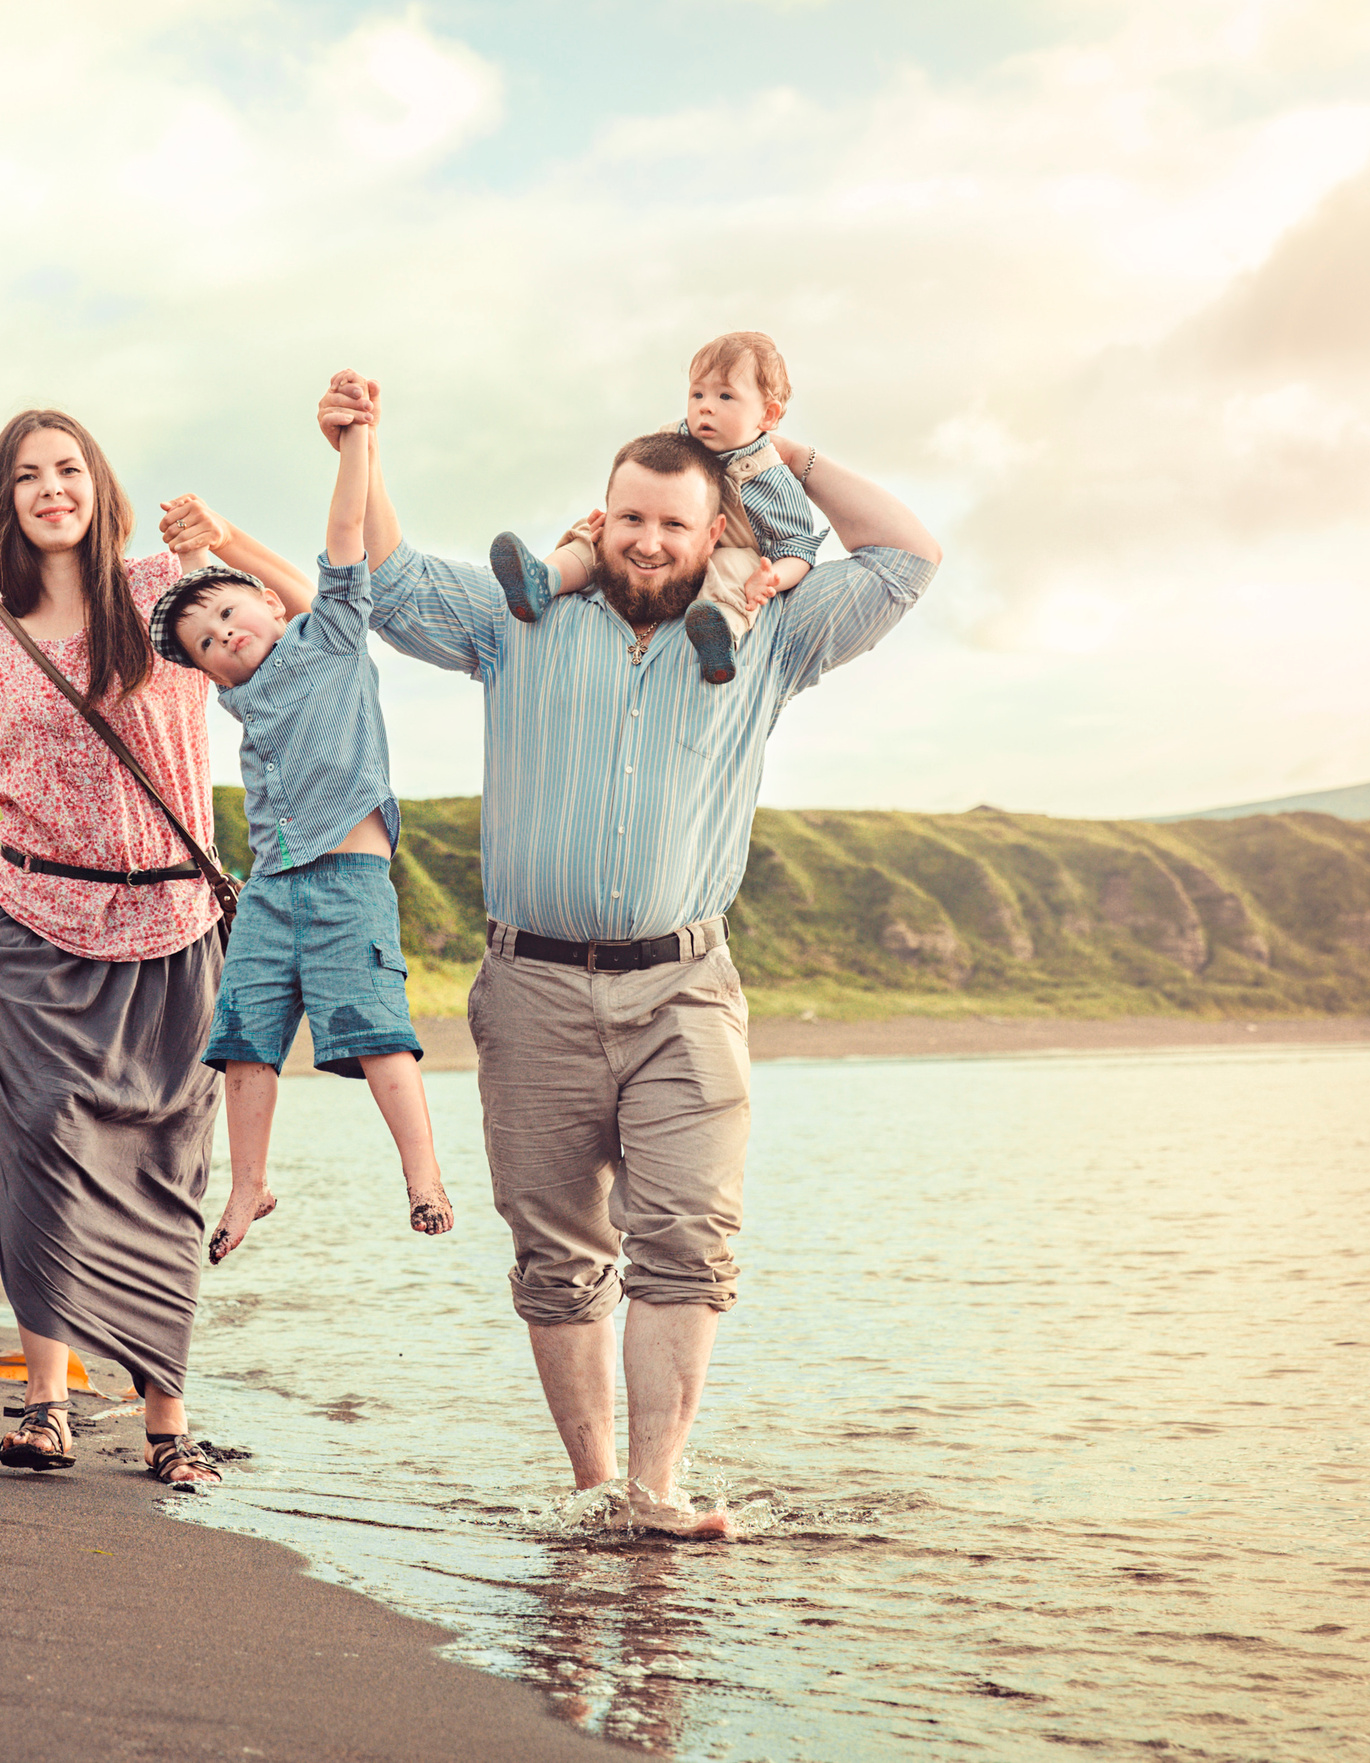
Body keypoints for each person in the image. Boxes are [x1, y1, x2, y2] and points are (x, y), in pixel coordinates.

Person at [316, 369, 941, 1534]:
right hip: (533, 985)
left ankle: (658, 1489)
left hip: (687, 989)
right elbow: (391, 581)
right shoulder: (521, 618)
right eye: (632, 517)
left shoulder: (769, 632)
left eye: (675, 522)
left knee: (687, 1237)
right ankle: (595, 1489)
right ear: (600, 519)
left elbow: (906, 555)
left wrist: (771, 452)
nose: (649, 541)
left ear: (716, 537)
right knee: (556, 1255)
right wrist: (359, 445)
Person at [0, 407, 308, 1485]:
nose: (52, 489)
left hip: (177, 931)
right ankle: (46, 1400)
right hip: (33, 929)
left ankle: (166, 1420)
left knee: (170, 1167)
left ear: (98, 486)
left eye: (69, 469)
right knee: (40, 1145)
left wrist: (216, 544)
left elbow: (303, 619)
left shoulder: (163, 591)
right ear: (5, 501)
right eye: (29, 475)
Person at [144, 396, 454, 1266]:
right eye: (207, 644)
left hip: (349, 879)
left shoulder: (335, 637)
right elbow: (204, 598)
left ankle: (423, 1175)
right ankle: (249, 1184)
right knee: (244, 1040)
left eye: (237, 617)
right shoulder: (243, 688)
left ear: (279, 606)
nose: (225, 637)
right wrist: (193, 552)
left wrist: (357, 438)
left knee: (378, 1034)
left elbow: (345, 525)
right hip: (272, 888)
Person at [491, 332, 824, 685]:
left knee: (733, 566)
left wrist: (772, 578)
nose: (705, 406)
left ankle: (718, 633)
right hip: (672, 543)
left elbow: (798, 547)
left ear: (768, 415)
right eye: (697, 394)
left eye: (725, 396)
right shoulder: (675, 438)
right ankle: (545, 578)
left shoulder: (771, 479)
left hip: (728, 552)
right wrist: (624, 518)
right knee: (602, 531)